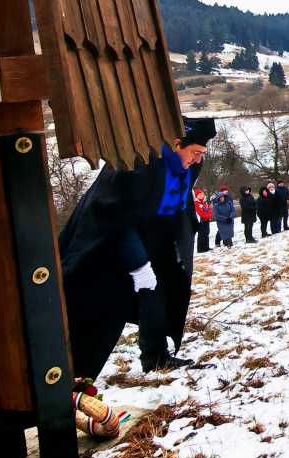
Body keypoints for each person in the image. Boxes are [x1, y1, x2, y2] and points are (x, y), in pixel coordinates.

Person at [59, 117, 216, 376]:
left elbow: (179, 198)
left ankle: (156, 357)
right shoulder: (137, 163)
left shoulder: (189, 166)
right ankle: (75, 376)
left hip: (157, 237)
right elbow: (113, 215)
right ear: (177, 144)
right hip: (109, 241)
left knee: (160, 292)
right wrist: (138, 263)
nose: (198, 160)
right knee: (106, 305)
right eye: (195, 153)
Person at [192, 187, 213, 253]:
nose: (201, 195)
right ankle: (201, 249)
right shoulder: (196, 203)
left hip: (206, 220)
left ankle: (206, 247)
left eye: (202, 194)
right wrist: (207, 216)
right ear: (197, 196)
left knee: (206, 233)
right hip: (201, 221)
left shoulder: (204, 203)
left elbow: (209, 210)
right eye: (200, 194)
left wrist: (209, 215)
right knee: (201, 234)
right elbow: (201, 213)